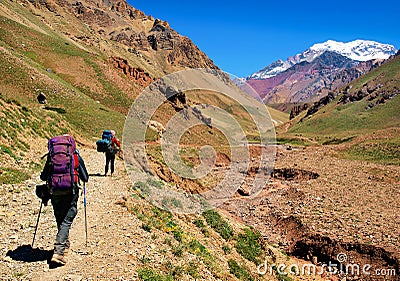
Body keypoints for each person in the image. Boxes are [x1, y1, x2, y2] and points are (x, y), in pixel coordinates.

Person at [40, 135, 89, 266]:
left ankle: (65, 245)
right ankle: (59, 252)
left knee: (60, 217)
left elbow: (43, 176)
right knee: (68, 218)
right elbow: (85, 177)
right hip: (71, 191)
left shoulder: (51, 157)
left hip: (54, 191)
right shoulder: (75, 156)